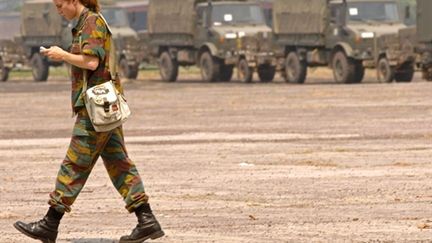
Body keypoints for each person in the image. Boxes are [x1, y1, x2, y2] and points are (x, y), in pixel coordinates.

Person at [13, 0, 165, 242]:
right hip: (104, 109)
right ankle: (146, 220)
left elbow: (91, 61)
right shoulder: (88, 21)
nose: (59, 10)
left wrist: (62, 54)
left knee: (74, 164)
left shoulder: (91, 22)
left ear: (75, 1)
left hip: (96, 112)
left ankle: (50, 223)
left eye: (61, 5)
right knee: (119, 164)